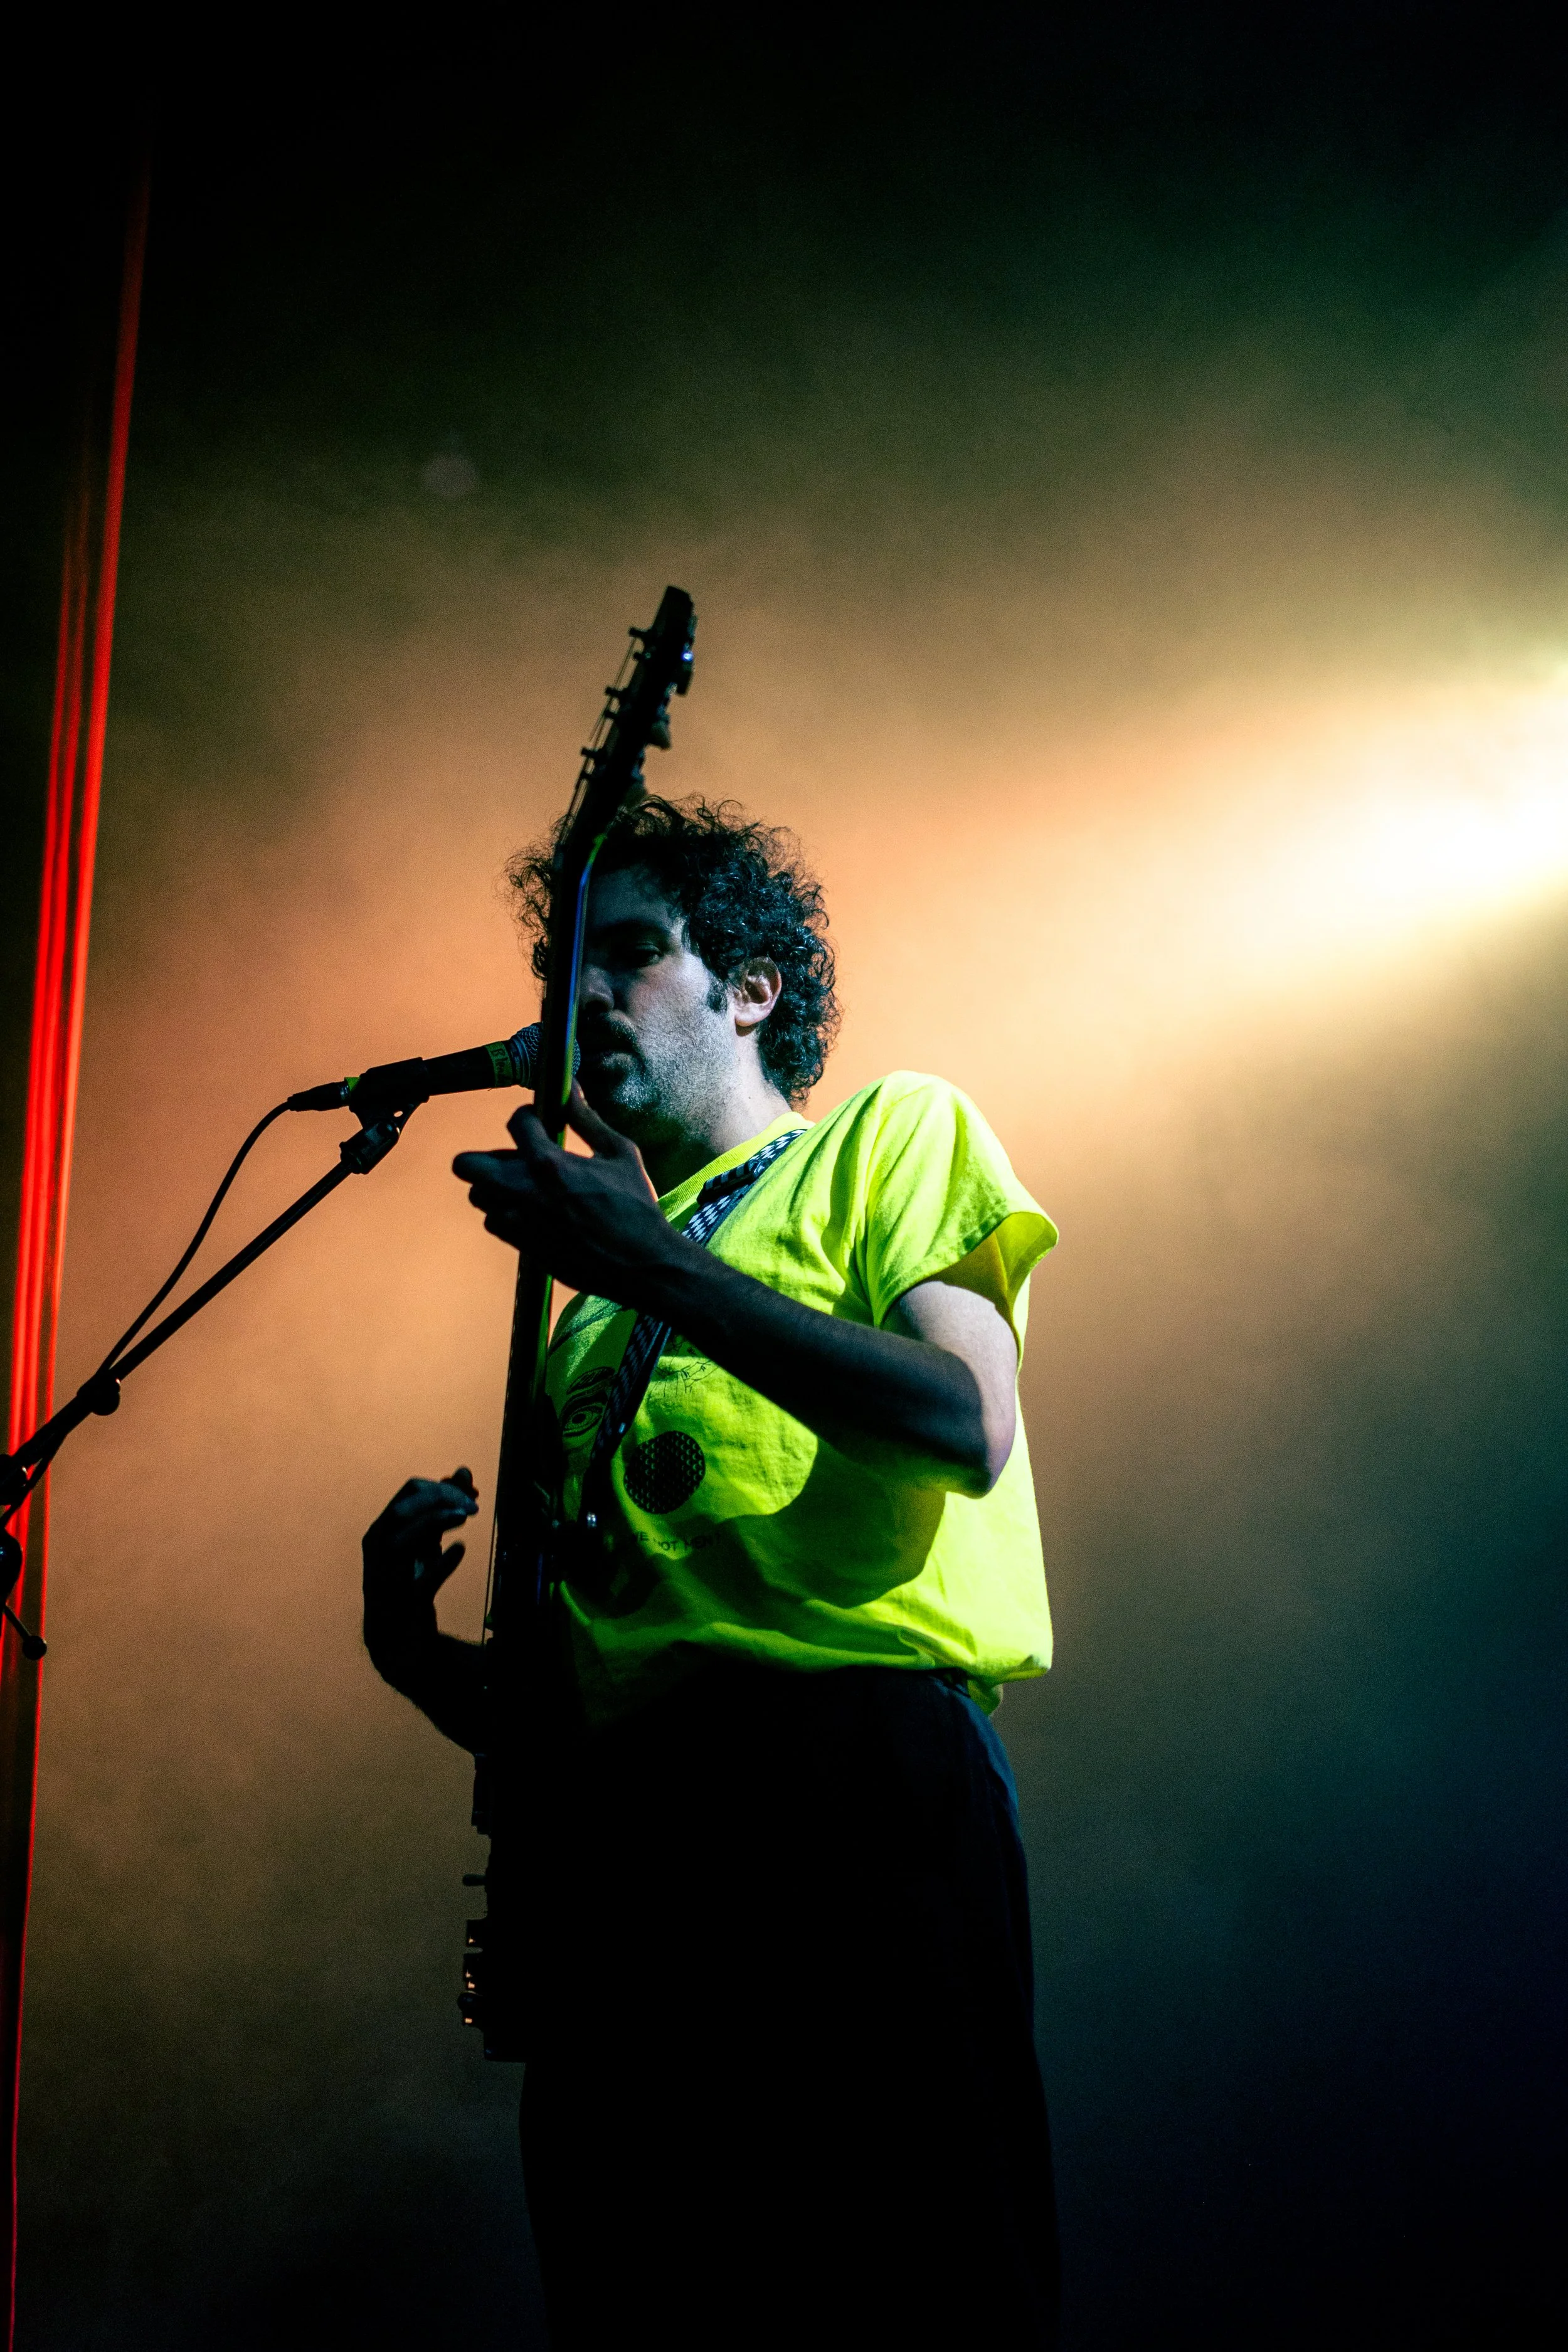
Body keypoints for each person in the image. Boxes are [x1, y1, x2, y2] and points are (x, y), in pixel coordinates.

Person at [361, 798, 1061, 2349]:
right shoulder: (588, 1320)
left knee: (904, 2286)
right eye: (566, 972)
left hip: (851, 1791)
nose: (584, 1002)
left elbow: (963, 1425)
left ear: (750, 987)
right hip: (630, 1861)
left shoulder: (888, 1135)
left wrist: (655, 1263)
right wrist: (415, 1655)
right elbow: (570, 1708)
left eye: (631, 956)